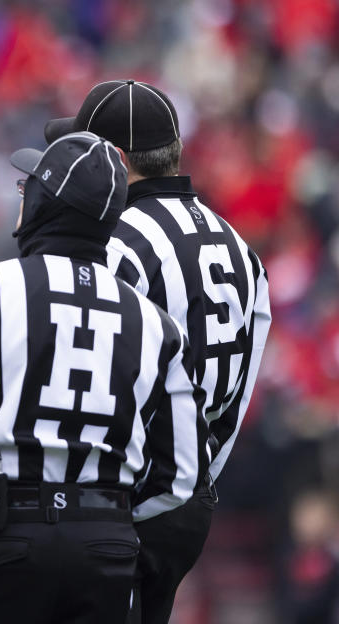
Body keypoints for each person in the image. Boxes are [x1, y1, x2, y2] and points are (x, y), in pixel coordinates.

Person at [0, 131, 207, 623]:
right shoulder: (155, 324)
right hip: (104, 546)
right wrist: (105, 511)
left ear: (42, 202)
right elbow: (181, 472)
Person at [43, 79, 272, 623]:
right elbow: (243, 384)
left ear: (117, 160)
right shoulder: (239, 247)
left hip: (120, 501)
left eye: (85, 151)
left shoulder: (116, 238)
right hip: (188, 498)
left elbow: (89, 379)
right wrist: (195, 480)